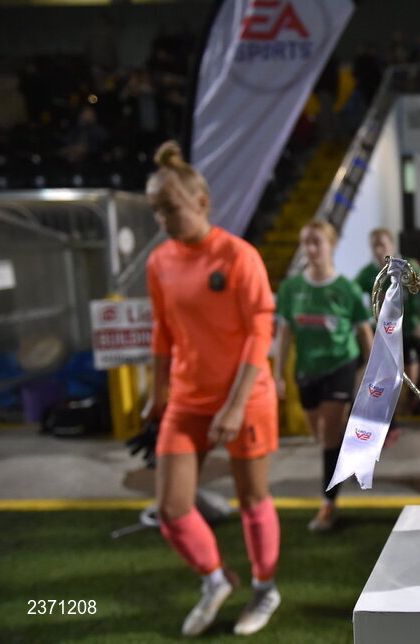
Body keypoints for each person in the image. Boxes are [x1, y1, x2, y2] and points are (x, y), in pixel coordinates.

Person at [143, 140, 281, 636]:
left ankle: (265, 589)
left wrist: (234, 404)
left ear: (201, 202)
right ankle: (216, 578)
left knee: (251, 500)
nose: (163, 219)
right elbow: (162, 330)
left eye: (171, 208)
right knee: (172, 510)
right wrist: (156, 391)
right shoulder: (159, 262)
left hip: (244, 398)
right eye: (156, 211)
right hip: (186, 398)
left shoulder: (238, 256)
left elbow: (260, 331)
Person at [274, 220, 373, 532]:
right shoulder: (291, 289)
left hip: (340, 367)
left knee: (328, 433)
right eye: (306, 243)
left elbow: (365, 336)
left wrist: (371, 378)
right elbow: (285, 335)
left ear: (331, 245)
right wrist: (278, 374)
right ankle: (349, 447)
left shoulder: (347, 290)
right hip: (306, 371)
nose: (311, 249)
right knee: (319, 435)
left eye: (317, 242)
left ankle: (328, 504)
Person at [354, 228, 420, 417]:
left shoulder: (408, 265)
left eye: (382, 244)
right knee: (384, 372)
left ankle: (408, 403)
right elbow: (353, 295)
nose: (378, 250)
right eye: (374, 246)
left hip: (407, 327)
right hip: (382, 331)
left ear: (391, 245)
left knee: (410, 372)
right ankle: (387, 411)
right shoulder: (368, 273)